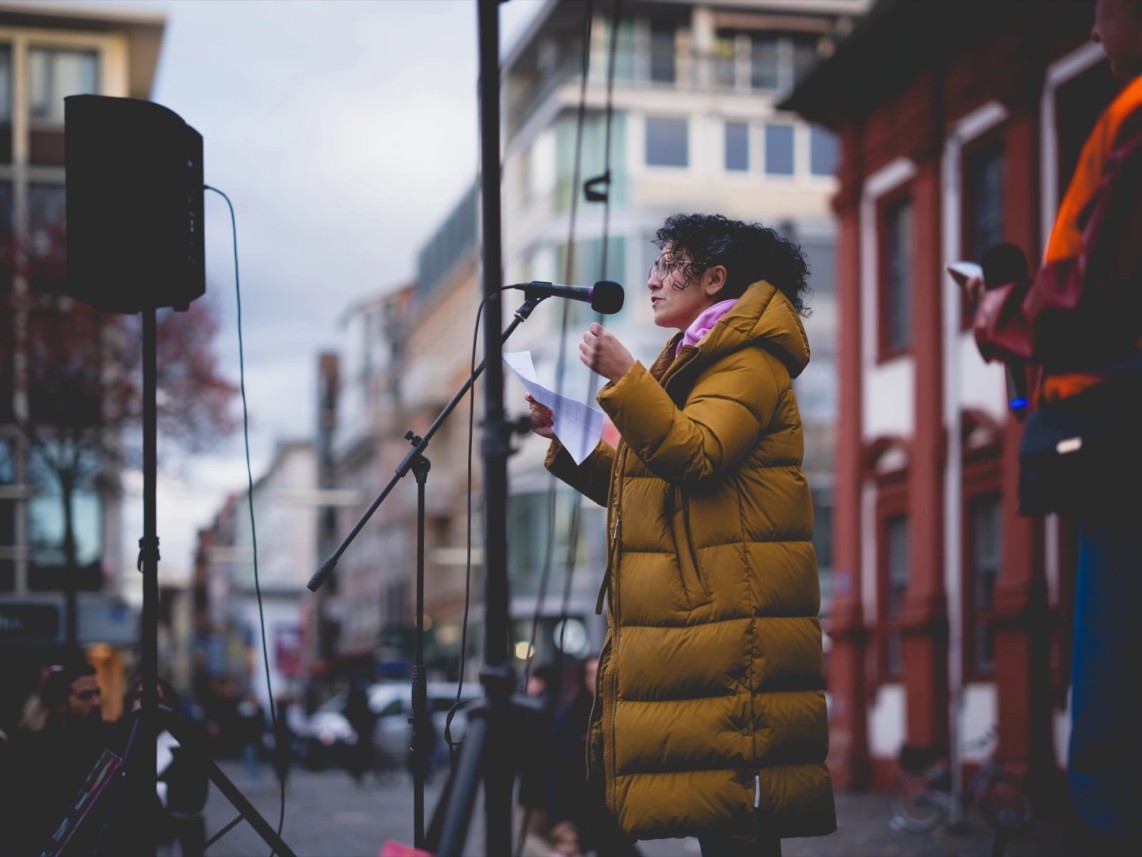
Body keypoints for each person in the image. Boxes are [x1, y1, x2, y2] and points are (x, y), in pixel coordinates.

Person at [530, 213, 836, 856]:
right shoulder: (694, 359)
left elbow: (695, 455)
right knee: (721, 822)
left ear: (715, 279)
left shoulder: (748, 360)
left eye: (669, 265)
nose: (652, 280)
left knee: (736, 828)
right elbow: (649, 485)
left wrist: (625, 377)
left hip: (731, 626)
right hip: (709, 623)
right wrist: (569, 436)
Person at [961, 3, 1142, 853]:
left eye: (1105, 9)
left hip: (1121, 428)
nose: (1096, 30)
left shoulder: (1134, 115)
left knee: (1111, 682)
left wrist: (1002, 311)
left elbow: (1096, 291)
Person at [0, 661, 116, 856]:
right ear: (60, 704)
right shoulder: (31, 751)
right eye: (85, 696)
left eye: (98, 693)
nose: (96, 702)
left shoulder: (110, 740)